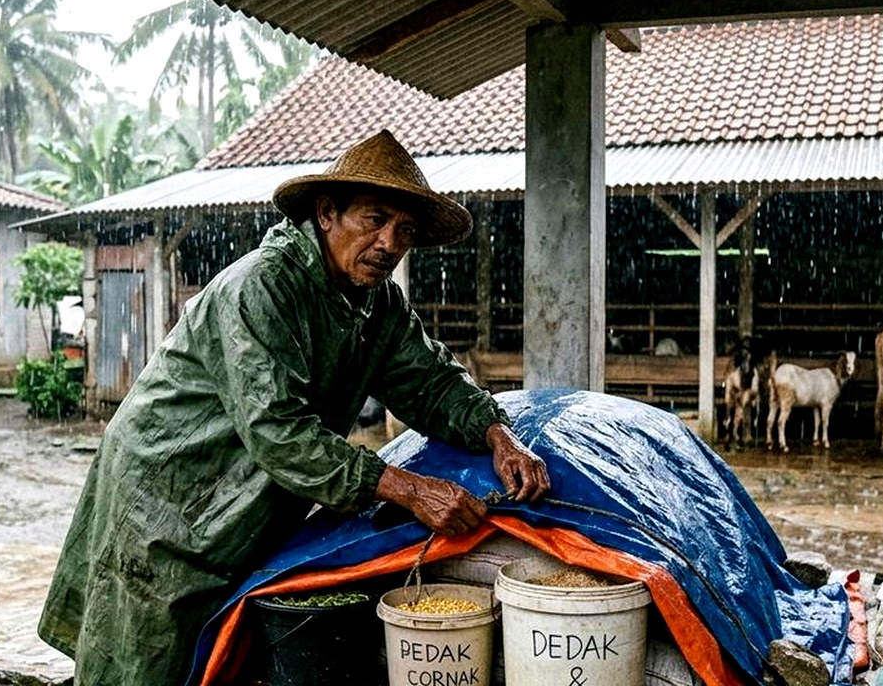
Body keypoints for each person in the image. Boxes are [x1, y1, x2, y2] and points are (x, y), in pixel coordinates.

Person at [38, 129, 550, 686]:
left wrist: (499, 434)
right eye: (373, 220)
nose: (388, 242)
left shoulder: (377, 305)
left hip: (243, 503)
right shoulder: (262, 287)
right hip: (168, 494)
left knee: (217, 657)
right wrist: (410, 489)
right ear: (327, 213)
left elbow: (431, 381)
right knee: (144, 655)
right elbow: (280, 432)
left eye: (404, 230)